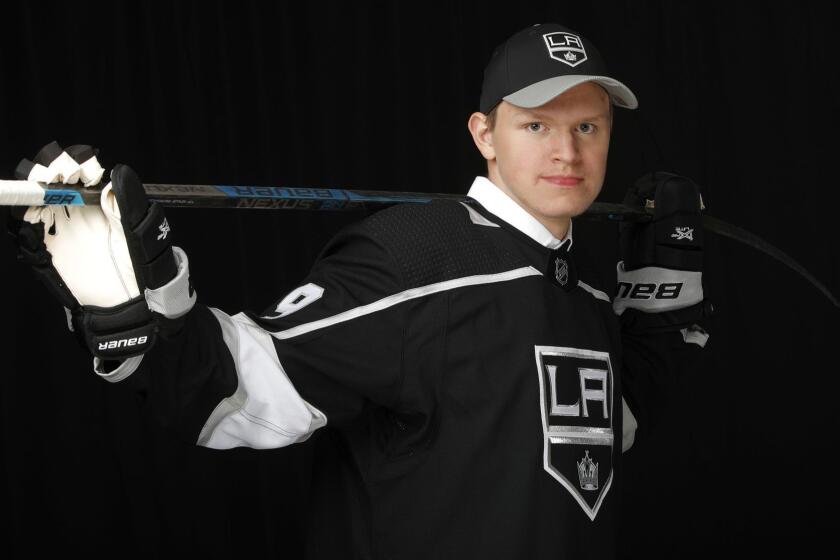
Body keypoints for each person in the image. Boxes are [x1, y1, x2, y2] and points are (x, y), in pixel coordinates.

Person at [7, 22, 711, 560]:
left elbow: (603, 432)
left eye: (588, 127)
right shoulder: (416, 257)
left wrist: (662, 296)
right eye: (537, 125)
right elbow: (235, 393)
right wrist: (149, 305)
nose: (568, 152)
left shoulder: (583, 297)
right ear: (485, 135)